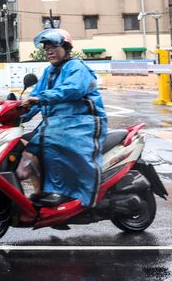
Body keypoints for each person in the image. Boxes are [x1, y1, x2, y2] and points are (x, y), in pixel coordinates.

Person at [15, 28, 107, 207]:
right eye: (46, 47)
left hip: (82, 122)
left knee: (54, 143)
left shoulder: (77, 68)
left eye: (54, 46)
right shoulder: (49, 72)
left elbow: (71, 90)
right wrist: (18, 111)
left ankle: (63, 192)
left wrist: (39, 99)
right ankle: (41, 193)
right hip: (57, 124)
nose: (49, 51)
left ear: (66, 48)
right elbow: (36, 95)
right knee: (27, 150)